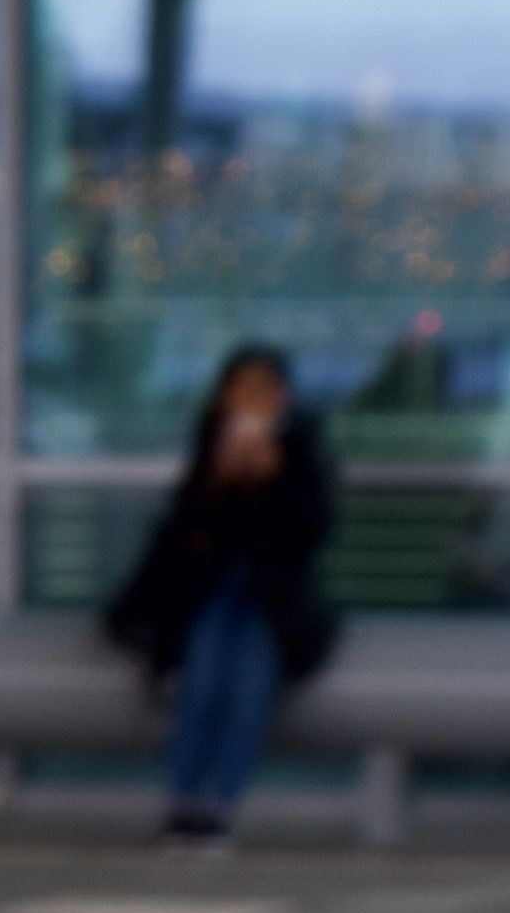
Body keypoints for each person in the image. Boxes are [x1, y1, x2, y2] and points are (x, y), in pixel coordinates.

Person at [103, 343, 338, 847]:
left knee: (249, 690)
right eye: (243, 389)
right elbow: (186, 531)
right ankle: (181, 802)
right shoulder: (210, 445)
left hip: (269, 599)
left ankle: (219, 808)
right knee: (202, 683)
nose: (253, 400)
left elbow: (308, 532)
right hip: (212, 589)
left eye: (264, 389)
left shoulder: (299, 447)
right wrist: (223, 478)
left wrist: (272, 477)